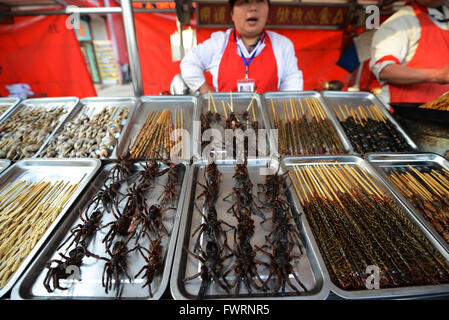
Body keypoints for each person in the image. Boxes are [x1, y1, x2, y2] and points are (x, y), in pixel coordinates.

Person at [180, 0, 303, 94]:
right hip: (225, 124)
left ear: (268, 10)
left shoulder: (283, 45)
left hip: (269, 125)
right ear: (232, 13)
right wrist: (208, 94)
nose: (253, 8)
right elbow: (189, 63)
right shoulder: (218, 43)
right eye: (244, 2)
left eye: (260, 1)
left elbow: (293, 86)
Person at [370, 0, 449, 104]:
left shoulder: (444, 16)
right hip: (405, 113)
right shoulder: (401, 21)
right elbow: (384, 70)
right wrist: (437, 75)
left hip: (440, 114)